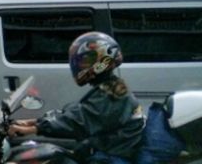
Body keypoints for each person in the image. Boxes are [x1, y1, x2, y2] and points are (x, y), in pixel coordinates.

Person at [9, 31, 145, 163]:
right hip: (106, 151)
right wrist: (33, 122)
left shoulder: (114, 96)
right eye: (80, 61)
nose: (80, 66)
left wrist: (35, 129)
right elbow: (75, 112)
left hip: (111, 157)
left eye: (86, 61)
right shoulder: (108, 87)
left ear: (103, 61)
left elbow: (78, 122)